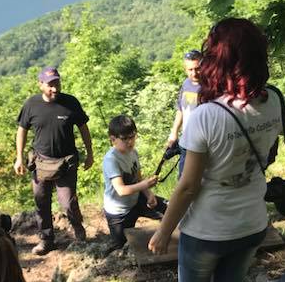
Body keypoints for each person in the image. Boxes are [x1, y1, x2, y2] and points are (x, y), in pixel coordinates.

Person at [149, 18, 285, 282]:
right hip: (251, 221)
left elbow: (188, 186)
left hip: (208, 228)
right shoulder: (274, 101)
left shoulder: (206, 115)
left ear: (218, 59)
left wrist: (163, 231)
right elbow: (267, 154)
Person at [14, 66, 94, 255]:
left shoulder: (70, 102)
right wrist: (19, 158)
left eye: (57, 83)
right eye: (50, 85)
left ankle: (79, 232)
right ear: (40, 84)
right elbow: (21, 130)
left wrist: (89, 153)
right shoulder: (31, 104)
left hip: (66, 162)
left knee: (67, 202)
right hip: (40, 162)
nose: (54, 88)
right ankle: (46, 240)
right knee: (41, 201)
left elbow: (83, 128)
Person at [102, 115, 167, 253]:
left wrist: (148, 194)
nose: (130, 142)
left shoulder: (133, 152)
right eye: (124, 138)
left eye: (132, 137)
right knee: (120, 247)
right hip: (118, 212)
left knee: (168, 209)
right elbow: (121, 190)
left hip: (136, 200)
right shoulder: (111, 160)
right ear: (113, 139)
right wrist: (145, 185)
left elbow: (138, 178)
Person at [166, 50, 202, 178]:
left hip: (201, 143)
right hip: (186, 139)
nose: (194, 73)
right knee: (182, 177)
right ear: (185, 69)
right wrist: (174, 132)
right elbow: (181, 109)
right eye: (190, 69)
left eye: (197, 69)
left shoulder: (209, 87)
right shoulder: (186, 84)